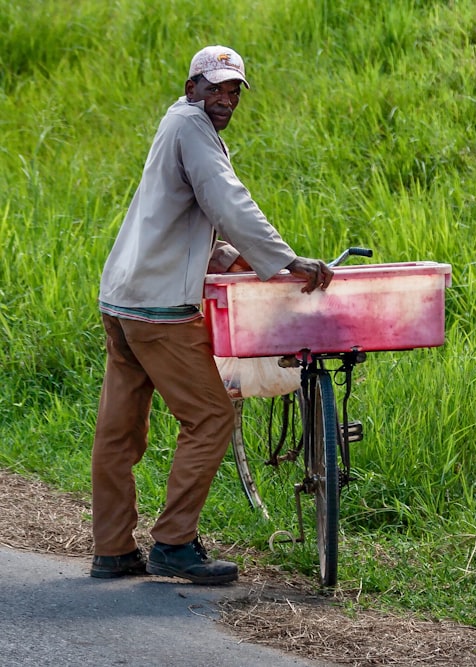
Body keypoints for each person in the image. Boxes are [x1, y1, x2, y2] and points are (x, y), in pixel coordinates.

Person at [89, 45, 333, 584]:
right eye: (214, 87)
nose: (224, 99)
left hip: (122, 297)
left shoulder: (175, 123)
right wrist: (284, 260)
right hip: (158, 309)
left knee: (119, 431)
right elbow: (227, 199)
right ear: (190, 86)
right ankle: (174, 544)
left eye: (233, 90)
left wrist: (224, 253)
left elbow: (181, 214)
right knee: (212, 417)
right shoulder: (194, 128)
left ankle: (112, 551)